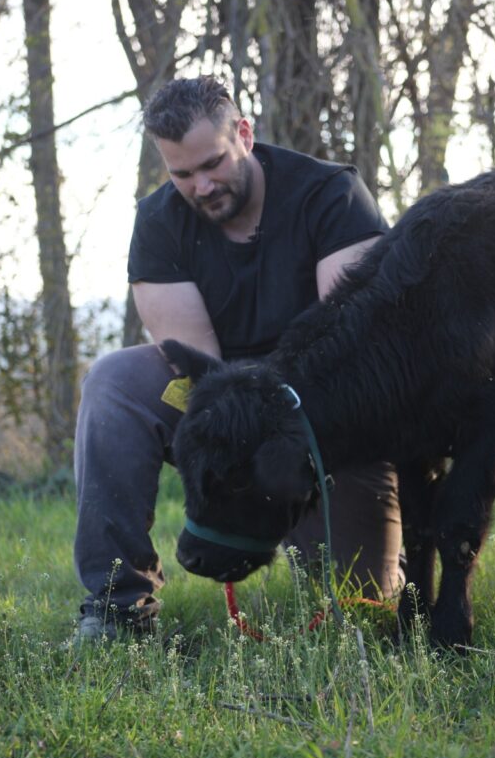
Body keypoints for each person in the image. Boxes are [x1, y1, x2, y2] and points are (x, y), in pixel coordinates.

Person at [74, 76, 402, 641]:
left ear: (244, 135)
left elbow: (350, 352)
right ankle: (117, 606)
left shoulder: (331, 196)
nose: (201, 186)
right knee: (114, 381)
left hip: (328, 423)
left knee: (366, 606)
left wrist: (286, 464)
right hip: (232, 408)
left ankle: (367, 550)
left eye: (213, 164)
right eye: (182, 175)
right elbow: (204, 381)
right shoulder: (158, 224)